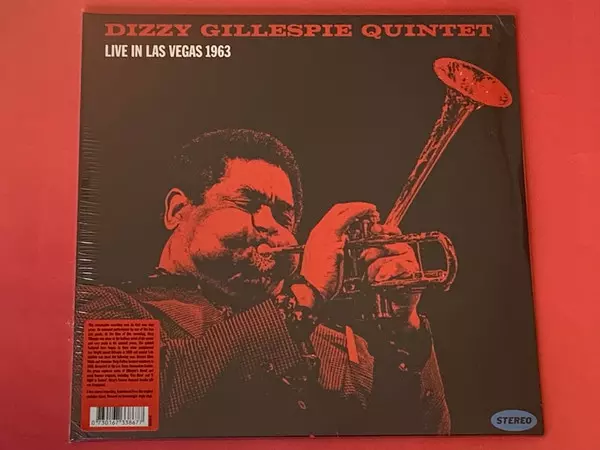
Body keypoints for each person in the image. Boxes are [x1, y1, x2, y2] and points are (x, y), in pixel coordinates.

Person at [71, 129, 450, 438]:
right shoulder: (103, 306)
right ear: (178, 210)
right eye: (247, 203)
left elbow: (419, 439)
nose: (270, 225)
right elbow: (132, 406)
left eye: (284, 217)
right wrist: (306, 293)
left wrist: (405, 330)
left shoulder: (341, 345)